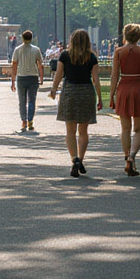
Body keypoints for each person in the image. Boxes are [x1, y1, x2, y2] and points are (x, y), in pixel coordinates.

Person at [49, 28, 102, 176]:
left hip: (70, 91)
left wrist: (53, 90)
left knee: (70, 131)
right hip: (86, 91)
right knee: (83, 131)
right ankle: (81, 158)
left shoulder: (65, 56)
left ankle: (74, 159)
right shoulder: (91, 57)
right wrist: (99, 98)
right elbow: (96, 80)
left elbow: (58, 75)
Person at [109, 23, 140, 176]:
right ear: (139, 36)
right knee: (138, 128)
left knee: (125, 128)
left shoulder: (118, 52)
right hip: (139, 88)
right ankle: (133, 156)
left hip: (124, 87)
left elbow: (114, 75)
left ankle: (126, 156)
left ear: (125, 35)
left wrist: (111, 95)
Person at [10, 29, 44, 132]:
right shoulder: (36, 50)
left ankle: (24, 121)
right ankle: (30, 121)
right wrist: (41, 78)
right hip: (33, 77)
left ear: (23, 38)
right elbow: (40, 65)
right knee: (32, 100)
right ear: (31, 38)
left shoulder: (18, 50)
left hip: (21, 77)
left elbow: (14, 65)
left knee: (22, 101)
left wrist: (13, 80)